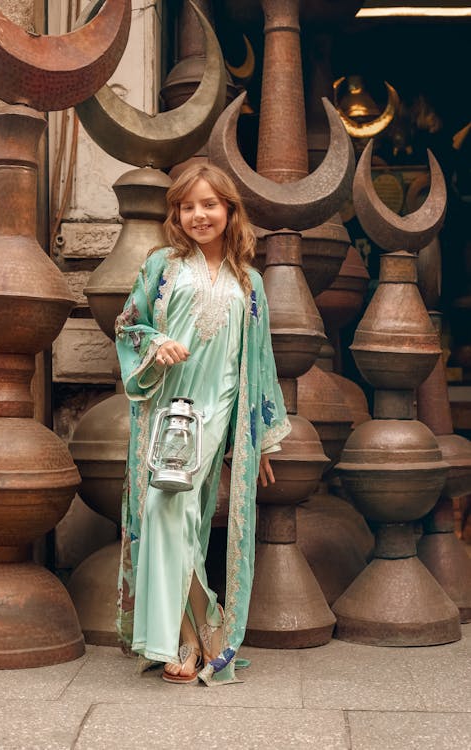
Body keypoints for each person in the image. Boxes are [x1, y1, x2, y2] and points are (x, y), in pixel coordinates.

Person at [115, 163, 290, 686]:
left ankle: (192, 635)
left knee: (174, 506)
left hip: (217, 410)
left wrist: (259, 443)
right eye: (188, 206)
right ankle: (198, 631)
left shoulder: (249, 282)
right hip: (167, 410)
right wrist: (154, 342)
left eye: (209, 204)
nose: (198, 215)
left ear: (229, 210)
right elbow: (128, 323)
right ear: (177, 213)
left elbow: (260, 361)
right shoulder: (162, 267)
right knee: (168, 509)